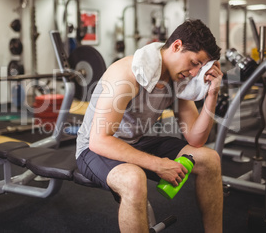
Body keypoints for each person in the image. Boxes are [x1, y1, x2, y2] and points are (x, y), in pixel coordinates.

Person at [75, 19, 223, 232]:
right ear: (177, 46)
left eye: (200, 67)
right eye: (193, 62)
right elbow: (100, 141)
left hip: (134, 142)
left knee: (209, 159)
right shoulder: (126, 73)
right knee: (133, 179)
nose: (193, 73)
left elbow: (196, 139)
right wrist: (158, 164)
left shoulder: (177, 79)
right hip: (93, 149)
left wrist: (212, 93)